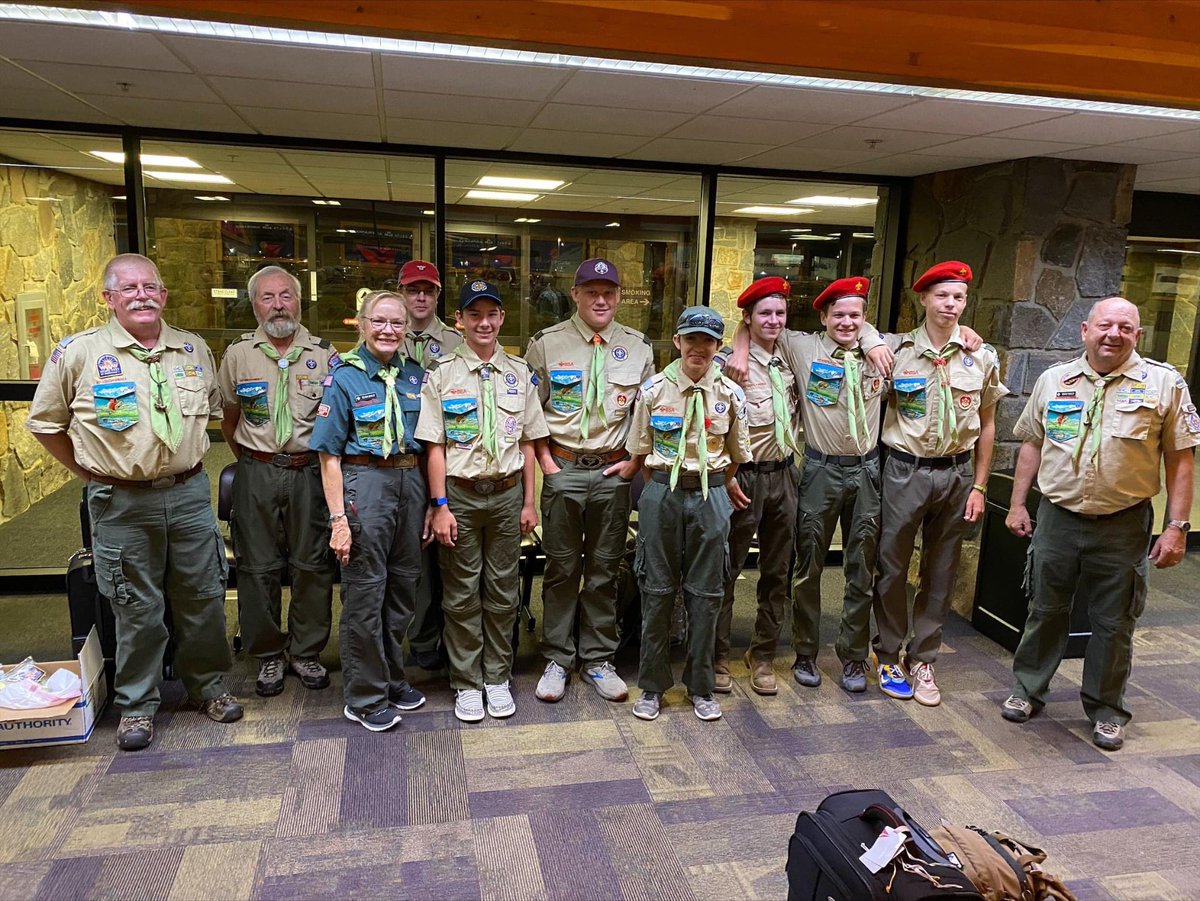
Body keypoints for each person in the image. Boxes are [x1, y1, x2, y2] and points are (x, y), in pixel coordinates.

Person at [27, 253, 242, 751]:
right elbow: (45, 424)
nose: (142, 295)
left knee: (203, 596)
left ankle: (207, 687)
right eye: (129, 288)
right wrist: (87, 472)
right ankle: (138, 705)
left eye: (151, 287)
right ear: (109, 298)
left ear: (163, 295)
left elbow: (209, 413)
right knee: (135, 607)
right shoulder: (78, 353)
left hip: (188, 494)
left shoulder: (192, 349)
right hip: (120, 502)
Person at [1001, 297, 1197, 751]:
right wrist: (1016, 504)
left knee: (1115, 622)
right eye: (1105, 325)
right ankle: (1028, 690)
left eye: (1125, 327)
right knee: (1044, 611)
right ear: (1086, 330)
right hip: (1058, 517)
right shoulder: (1055, 380)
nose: (1114, 334)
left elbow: (1180, 461)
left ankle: (1107, 710)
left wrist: (1177, 527)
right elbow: (1032, 444)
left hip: (1123, 523)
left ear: (1137, 335)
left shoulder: (1164, 385)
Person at [872, 261, 1007, 706]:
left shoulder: (981, 356)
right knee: (891, 565)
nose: (951, 304)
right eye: (943, 296)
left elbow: (987, 423)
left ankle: (924, 656)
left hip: (956, 471)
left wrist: (980, 485)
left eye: (959, 298)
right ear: (924, 299)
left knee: (941, 569)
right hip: (904, 469)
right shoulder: (895, 351)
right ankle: (889, 652)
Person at [415, 280, 548, 723]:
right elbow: (434, 446)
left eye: (491, 314)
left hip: (508, 494)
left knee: (503, 590)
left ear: (502, 318)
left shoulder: (519, 373)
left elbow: (529, 442)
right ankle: (467, 682)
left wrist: (531, 502)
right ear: (460, 321)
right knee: (460, 593)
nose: (484, 322)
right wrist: (440, 504)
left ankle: (497, 676)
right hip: (462, 496)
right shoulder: (442, 374)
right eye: (474, 315)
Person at [524, 258, 652, 704]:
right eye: (592, 291)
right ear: (575, 295)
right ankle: (558, 657)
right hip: (564, 469)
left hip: (613, 472)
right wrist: (547, 464)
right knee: (561, 568)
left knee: (603, 569)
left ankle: (598, 657)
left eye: (609, 292)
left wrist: (635, 464)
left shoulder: (639, 347)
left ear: (618, 296)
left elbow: (647, 414)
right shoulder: (545, 344)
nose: (601, 300)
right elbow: (530, 410)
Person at [625, 306, 751, 722]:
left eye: (708, 341)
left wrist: (710, 485)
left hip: (711, 493)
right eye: (691, 339)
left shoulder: (731, 396)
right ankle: (652, 686)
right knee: (657, 591)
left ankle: (700, 686)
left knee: (707, 593)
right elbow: (642, 453)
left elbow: (735, 458)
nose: (699, 348)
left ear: (718, 348)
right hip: (662, 492)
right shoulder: (653, 391)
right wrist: (665, 488)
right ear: (677, 342)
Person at [217, 265, 337, 698]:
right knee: (256, 567)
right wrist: (257, 460)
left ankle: (306, 652)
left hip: (309, 470)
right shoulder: (238, 354)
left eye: (286, 295)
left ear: (300, 301)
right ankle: (267, 654)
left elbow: (335, 423)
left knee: (312, 564)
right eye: (268, 297)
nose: (278, 304)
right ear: (254, 305)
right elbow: (230, 419)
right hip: (257, 470)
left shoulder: (324, 355)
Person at [310, 290, 428, 732]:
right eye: (379, 322)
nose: (388, 331)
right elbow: (328, 456)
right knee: (365, 592)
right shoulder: (344, 377)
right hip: (366, 484)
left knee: (401, 590)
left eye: (397, 324)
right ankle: (363, 696)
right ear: (361, 323)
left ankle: (392, 676)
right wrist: (339, 519)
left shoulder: (415, 376)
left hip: (409, 482)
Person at [713, 277, 800, 696]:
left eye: (780, 313)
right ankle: (718, 655)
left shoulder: (794, 354)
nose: (774, 320)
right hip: (741, 476)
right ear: (747, 318)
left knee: (777, 571)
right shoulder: (727, 363)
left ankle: (763, 654)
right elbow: (710, 426)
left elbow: (855, 329)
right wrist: (726, 475)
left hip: (785, 473)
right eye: (764, 313)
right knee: (727, 570)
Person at [397, 259, 463, 671]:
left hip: (448, 461)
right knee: (414, 556)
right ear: (401, 293)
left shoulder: (458, 343)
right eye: (412, 289)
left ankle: (453, 639)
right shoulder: (385, 337)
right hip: (402, 462)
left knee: (452, 553)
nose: (420, 297)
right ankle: (420, 640)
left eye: (429, 290)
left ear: (438, 295)